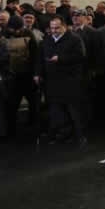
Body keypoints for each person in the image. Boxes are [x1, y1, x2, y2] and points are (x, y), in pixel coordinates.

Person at [35, 16, 87, 147]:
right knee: (56, 110)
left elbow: (80, 56)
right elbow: (39, 59)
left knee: (73, 110)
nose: (54, 30)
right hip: (52, 81)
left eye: (57, 28)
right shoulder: (46, 41)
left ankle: (79, 136)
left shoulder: (74, 39)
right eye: (52, 28)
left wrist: (61, 59)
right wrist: (37, 74)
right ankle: (62, 134)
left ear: (64, 26)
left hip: (70, 81)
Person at [3, 16, 39, 136]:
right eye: (14, 29)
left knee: (33, 102)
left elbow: (35, 55)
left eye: (18, 29)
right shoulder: (4, 34)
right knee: (12, 104)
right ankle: (11, 129)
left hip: (28, 74)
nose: (17, 32)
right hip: (12, 76)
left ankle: (33, 125)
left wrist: (36, 73)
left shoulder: (28, 33)